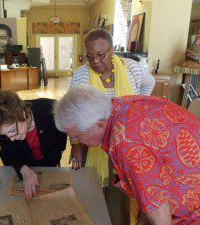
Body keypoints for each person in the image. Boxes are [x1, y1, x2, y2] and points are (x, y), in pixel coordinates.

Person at [54, 85, 200, 225]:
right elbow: (149, 185)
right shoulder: (117, 106)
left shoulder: (124, 142)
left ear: (98, 125)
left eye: (78, 137)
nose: (77, 142)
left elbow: (157, 203)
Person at [70, 29, 155, 224]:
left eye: (100, 55)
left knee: (119, 194)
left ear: (112, 50)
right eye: (90, 57)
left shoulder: (133, 69)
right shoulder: (81, 75)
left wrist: (138, 106)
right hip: (93, 142)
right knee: (91, 192)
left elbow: (148, 84)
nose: (95, 61)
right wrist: (75, 143)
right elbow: (73, 111)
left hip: (124, 142)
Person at [0, 89, 67, 200]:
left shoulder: (50, 109)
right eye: (6, 135)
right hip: (25, 165)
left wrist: (75, 144)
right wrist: (23, 169)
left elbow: (64, 133)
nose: (10, 139)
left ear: (22, 114)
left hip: (50, 164)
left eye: (12, 131)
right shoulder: (2, 132)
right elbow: (9, 154)